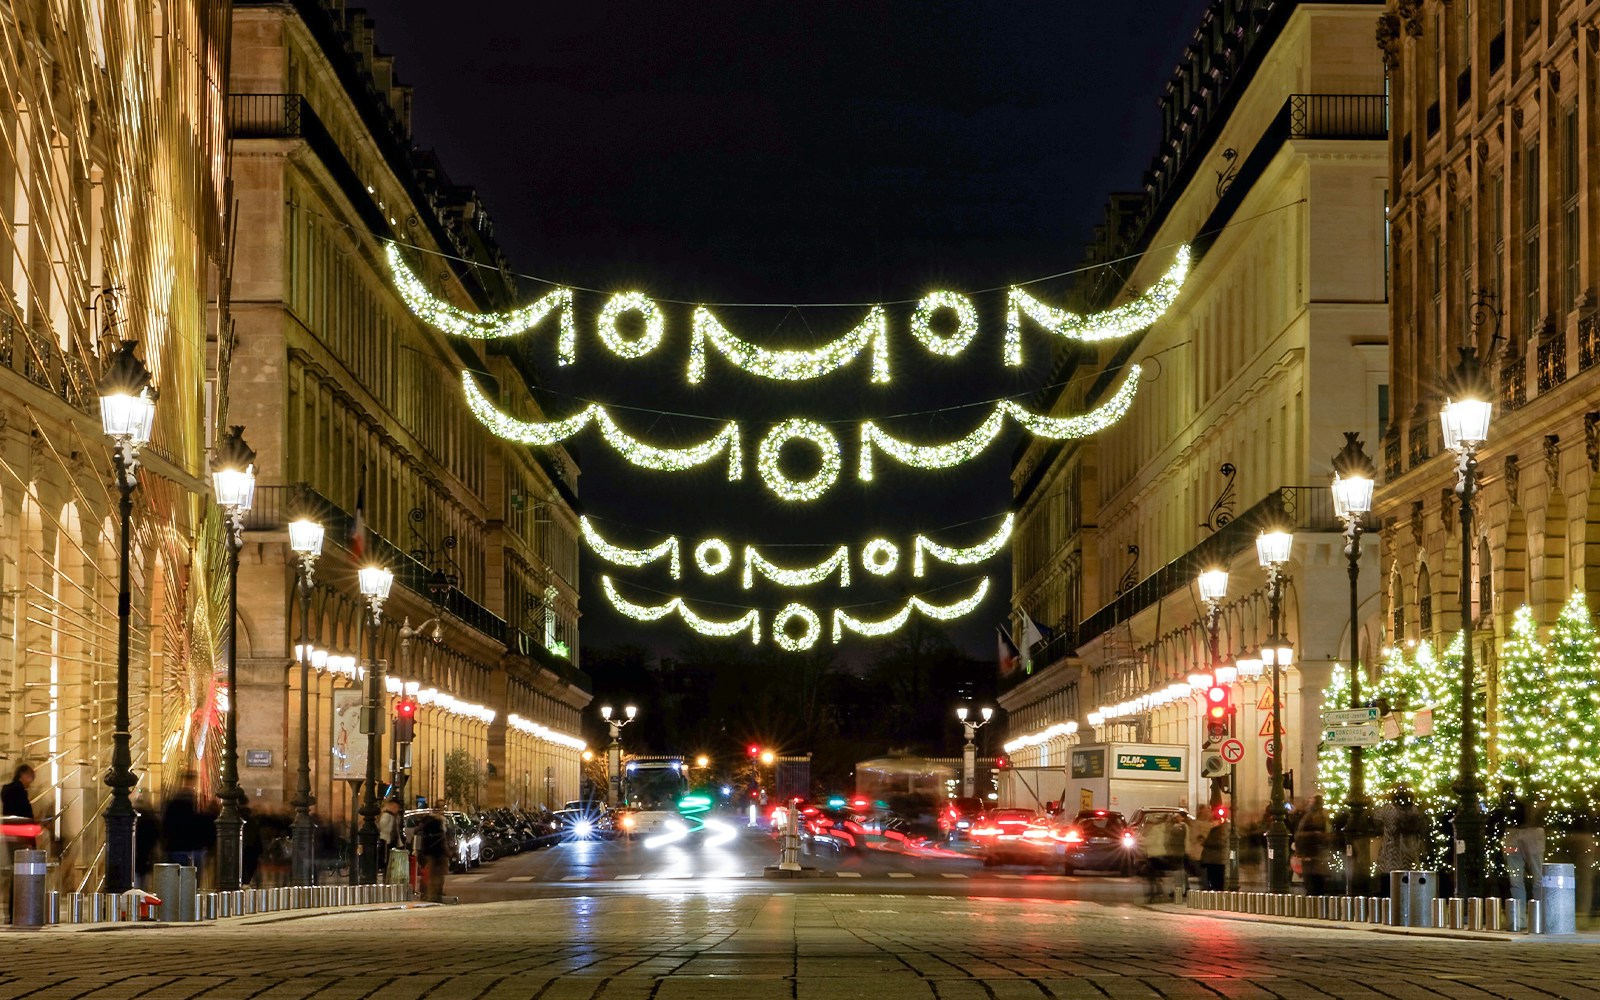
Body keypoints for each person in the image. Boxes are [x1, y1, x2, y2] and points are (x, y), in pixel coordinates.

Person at [161, 772, 214, 874]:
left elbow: (166, 826)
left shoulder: (173, 804)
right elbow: (199, 825)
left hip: (176, 846)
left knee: (176, 877)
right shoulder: (198, 803)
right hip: (191, 847)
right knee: (192, 879)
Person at [1374, 784, 1427, 875]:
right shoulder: (1414, 809)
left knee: (1391, 880)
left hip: (1391, 854)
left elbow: (1375, 818)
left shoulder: (1388, 809)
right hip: (1410, 852)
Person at [1503, 793, 1545, 907]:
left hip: (1513, 831)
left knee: (1516, 878)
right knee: (1538, 875)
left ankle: (1519, 918)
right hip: (1532, 832)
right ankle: (1539, 914)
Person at [1294, 796, 1332, 896]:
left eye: (1311, 800)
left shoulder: (1311, 816)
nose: (1309, 801)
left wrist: (1299, 849)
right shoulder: (1324, 815)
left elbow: (1301, 834)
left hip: (1309, 854)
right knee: (1318, 881)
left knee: (1311, 881)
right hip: (1318, 854)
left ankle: (1313, 902)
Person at [413, 807, 448, 902]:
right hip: (436, 853)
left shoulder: (425, 823)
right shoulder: (436, 823)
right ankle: (433, 896)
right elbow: (441, 840)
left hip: (428, 853)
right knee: (435, 876)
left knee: (430, 875)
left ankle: (430, 895)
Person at [1201, 819, 1228, 890]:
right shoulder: (1213, 829)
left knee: (1217, 881)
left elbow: (1221, 843)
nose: (1212, 822)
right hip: (1212, 860)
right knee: (1212, 879)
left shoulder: (1221, 829)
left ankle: (1218, 896)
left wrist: (1205, 842)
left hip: (1217, 860)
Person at [377, 798, 401, 872]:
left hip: (389, 840)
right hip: (386, 840)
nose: (397, 809)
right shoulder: (387, 815)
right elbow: (382, 826)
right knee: (386, 858)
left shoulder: (392, 816)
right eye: (396, 807)